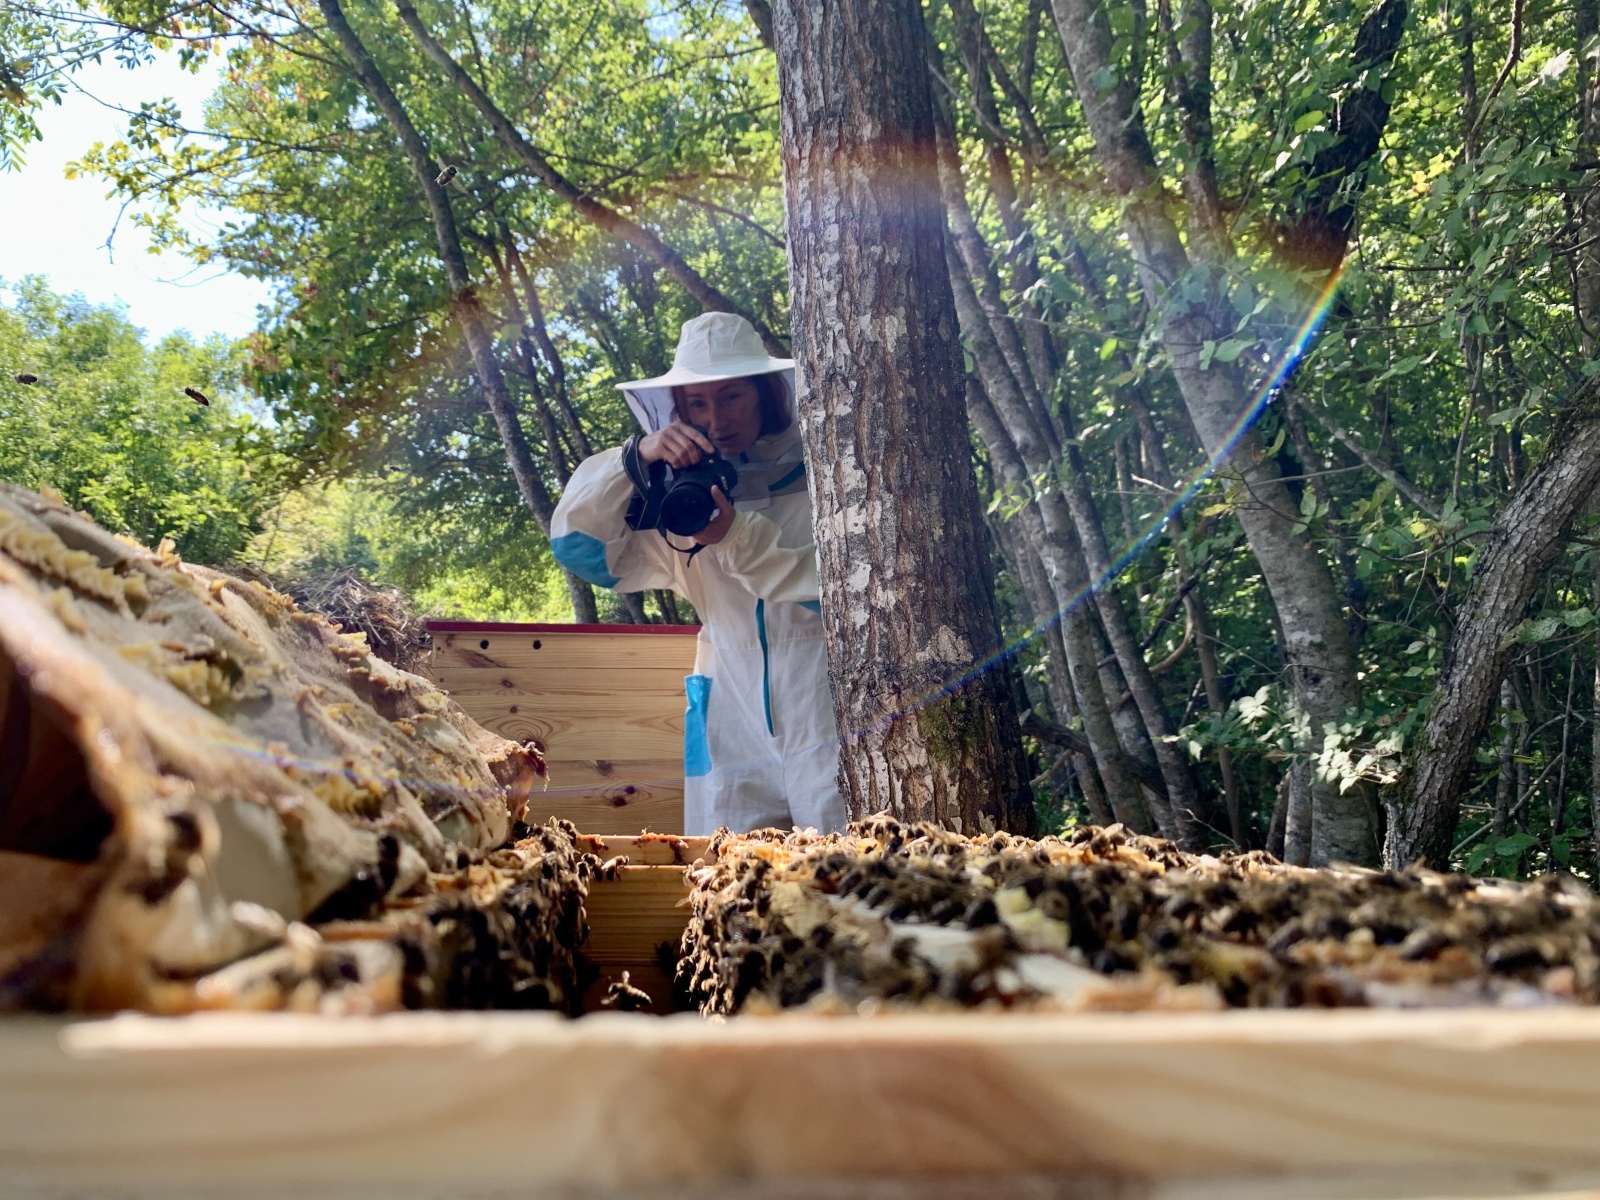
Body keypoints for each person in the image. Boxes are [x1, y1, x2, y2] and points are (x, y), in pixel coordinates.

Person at [551, 312, 846, 836]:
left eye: (732, 396)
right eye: (698, 403)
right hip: (727, 711)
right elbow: (579, 548)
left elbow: (840, 597)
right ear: (678, 411)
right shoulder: (679, 506)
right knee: (732, 886)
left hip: (825, 704)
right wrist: (632, 460)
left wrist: (735, 537)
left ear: (766, 395)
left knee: (845, 876)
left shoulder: (825, 480)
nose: (717, 419)